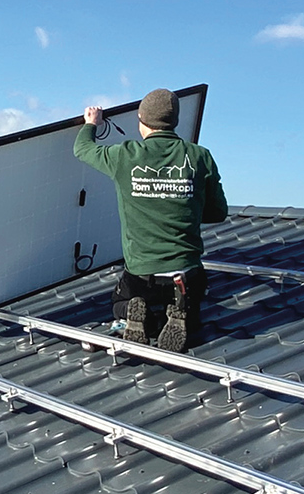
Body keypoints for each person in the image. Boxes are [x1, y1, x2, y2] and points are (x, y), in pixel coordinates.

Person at [73, 88, 227, 352]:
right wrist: (182, 202)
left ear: (140, 118)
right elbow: (218, 213)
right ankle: (180, 313)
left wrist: (91, 124)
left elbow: (82, 149)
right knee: (194, 310)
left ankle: (141, 317)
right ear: (175, 120)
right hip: (186, 277)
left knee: (119, 303)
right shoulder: (200, 157)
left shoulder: (125, 155)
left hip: (142, 277)